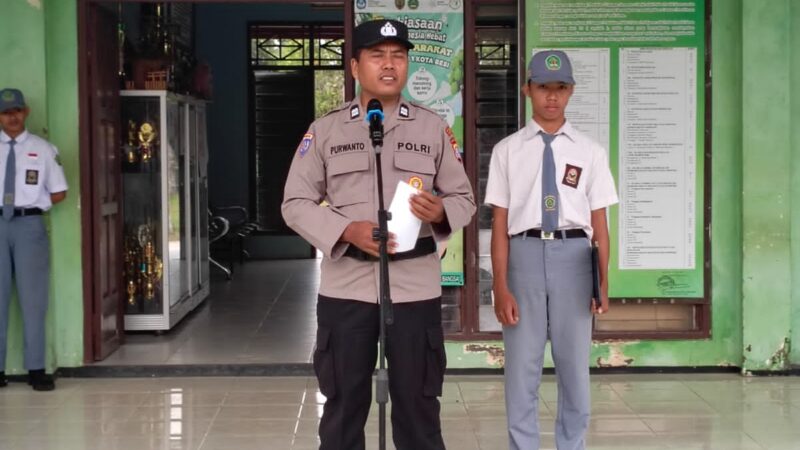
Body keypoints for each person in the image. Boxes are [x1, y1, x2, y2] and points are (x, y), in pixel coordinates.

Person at [282, 19, 475, 450]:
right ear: (354, 66)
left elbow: (464, 198)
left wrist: (442, 210)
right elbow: (294, 203)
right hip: (346, 287)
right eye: (377, 55)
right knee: (343, 407)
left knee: (417, 407)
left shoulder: (432, 128)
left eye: (398, 56)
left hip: (414, 288)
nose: (389, 65)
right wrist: (345, 229)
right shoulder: (327, 130)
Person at [485, 50, 618, 450]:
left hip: (575, 260)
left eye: (560, 88)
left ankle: (571, 444)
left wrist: (603, 283)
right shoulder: (508, 150)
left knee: (574, 368)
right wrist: (501, 286)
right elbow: (499, 226)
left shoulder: (590, 151)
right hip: (523, 257)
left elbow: (600, 227)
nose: (552, 97)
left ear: (571, 92)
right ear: (528, 90)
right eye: (543, 87)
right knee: (522, 370)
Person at [0, 88, 68, 392]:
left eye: (17, 111)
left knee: (33, 300)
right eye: (5, 112)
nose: (12, 117)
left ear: (25, 112)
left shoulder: (42, 149)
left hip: (29, 225)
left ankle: (36, 369)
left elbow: (59, 191)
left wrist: (32, 203)